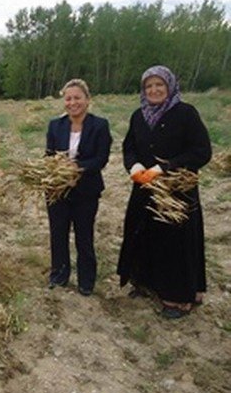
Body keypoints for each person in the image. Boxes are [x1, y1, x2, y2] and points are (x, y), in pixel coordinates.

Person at [117, 65, 211, 319]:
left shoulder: (185, 114)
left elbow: (202, 151)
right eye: (149, 86)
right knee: (144, 233)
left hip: (176, 193)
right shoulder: (139, 116)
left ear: (169, 87)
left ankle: (179, 298)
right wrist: (134, 166)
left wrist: (165, 167)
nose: (154, 90)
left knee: (174, 242)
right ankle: (147, 283)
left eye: (159, 85)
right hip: (145, 187)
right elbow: (129, 147)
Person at [45, 79, 112, 296]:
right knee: (58, 234)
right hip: (58, 190)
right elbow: (49, 156)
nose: (72, 102)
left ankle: (86, 281)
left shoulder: (100, 125)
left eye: (77, 98)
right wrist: (55, 170)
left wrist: (76, 169)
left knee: (84, 236)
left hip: (86, 191)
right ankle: (59, 275)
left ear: (87, 100)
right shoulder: (55, 125)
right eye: (68, 98)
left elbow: (100, 159)